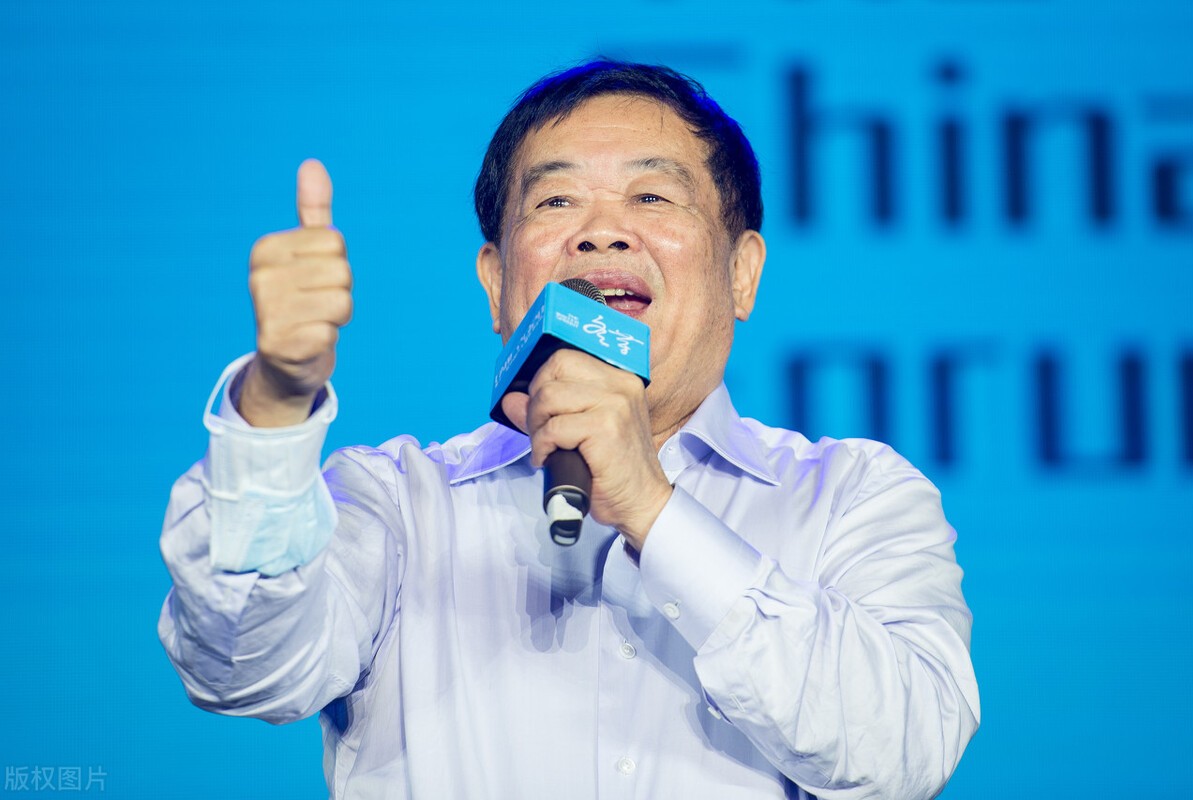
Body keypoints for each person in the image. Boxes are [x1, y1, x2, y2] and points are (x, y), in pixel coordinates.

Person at [158, 60, 979, 799]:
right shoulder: (396, 503)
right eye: (556, 201)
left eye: (652, 197)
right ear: (495, 283)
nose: (601, 231)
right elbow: (241, 668)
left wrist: (653, 510)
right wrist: (276, 400)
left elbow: (905, 752)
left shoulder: (853, 497)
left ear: (742, 273)